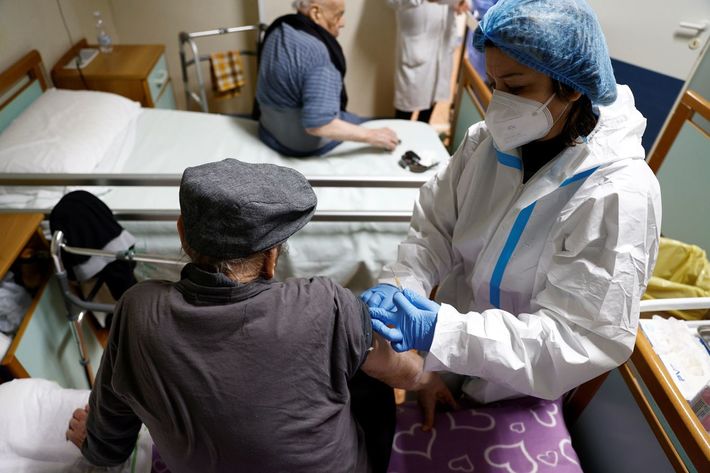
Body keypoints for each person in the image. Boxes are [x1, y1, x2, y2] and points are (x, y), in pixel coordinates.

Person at [361, 0, 662, 428]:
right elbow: (434, 230)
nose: (498, 104)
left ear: (572, 86)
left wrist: (443, 332)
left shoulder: (618, 194)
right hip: (444, 352)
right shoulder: (485, 144)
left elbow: (577, 338)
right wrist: (402, 287)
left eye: (516, 88)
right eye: (492, 83)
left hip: (519, 386)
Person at [65, 159, 443, 472]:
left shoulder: (136, 310)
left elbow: (111, 428)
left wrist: (97, 444)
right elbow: (404, 373)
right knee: (365, 359)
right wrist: (428, 380)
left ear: (182, 233)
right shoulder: (326, 305)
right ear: (272, 256)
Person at [255, 0, 399, 157]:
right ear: (316, 13)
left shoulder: (279, 28)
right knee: (363, 123)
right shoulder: (316, 53)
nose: (342, 23)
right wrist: (371, 135)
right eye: (338, 15)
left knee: (350, 118)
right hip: (298, 144)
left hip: (268, 132)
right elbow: (318, 125)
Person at [388, 0, 469, 123]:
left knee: (432, 100)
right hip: (416, 43)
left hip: (443, 39)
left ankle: (423, 129)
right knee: (405, 111)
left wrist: (459, 2)